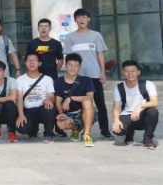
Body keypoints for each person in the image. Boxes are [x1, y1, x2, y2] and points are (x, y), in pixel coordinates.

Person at [63, 9, 114, 140]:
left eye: (84, 17)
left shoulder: (96, 35)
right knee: (78, 104)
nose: (81, 20)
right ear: (75, 20)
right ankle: (77, 129)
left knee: (100, 103)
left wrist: (102, 72)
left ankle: (104, 130)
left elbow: (100, 54)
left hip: (94, 74)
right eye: (79, 17)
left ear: (88, 19)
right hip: (77, 77)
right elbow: (68, 58)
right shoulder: (70, 37)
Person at [112, 60, 159, 149]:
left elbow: (155, 102)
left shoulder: (147, 84)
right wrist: (116, 120)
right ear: (123, 72)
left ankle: (148, 139)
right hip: (127, 114)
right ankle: (129, 134)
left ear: (138, 72)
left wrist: (139, 106)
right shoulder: (119, 87)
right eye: (127, 71)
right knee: (118, 130)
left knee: (153, 111)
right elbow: (116, 107)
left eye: (133, 71)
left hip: (143, 116)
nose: (130, 74)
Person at [53, 53, 97, 147]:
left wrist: (71, 98)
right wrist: (61, 112)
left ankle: (87, 134)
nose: (73, 68)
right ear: (65, 65)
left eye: (76, 66)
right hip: (69, 114)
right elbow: (58, 100)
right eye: (70, 65)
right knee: (61, 124)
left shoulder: (87, 80)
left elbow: (90, 97)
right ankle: (76, 128)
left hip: (85, 112)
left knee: (87, 101)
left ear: (80, 67)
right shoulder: (58, 82)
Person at [16, 53, 56, 143]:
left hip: (42, 110)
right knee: (22, 127)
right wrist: (21, 115)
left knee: (50, 108)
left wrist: (49, 99)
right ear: (25, 63)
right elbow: (19, 99)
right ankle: (33, 130)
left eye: (34, 60)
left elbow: (52, 97)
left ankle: (49, 133)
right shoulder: (20, 80)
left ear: (39, 63)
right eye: (29, 60)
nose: (31, 62)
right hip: (28, 111)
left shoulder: (48, 79)